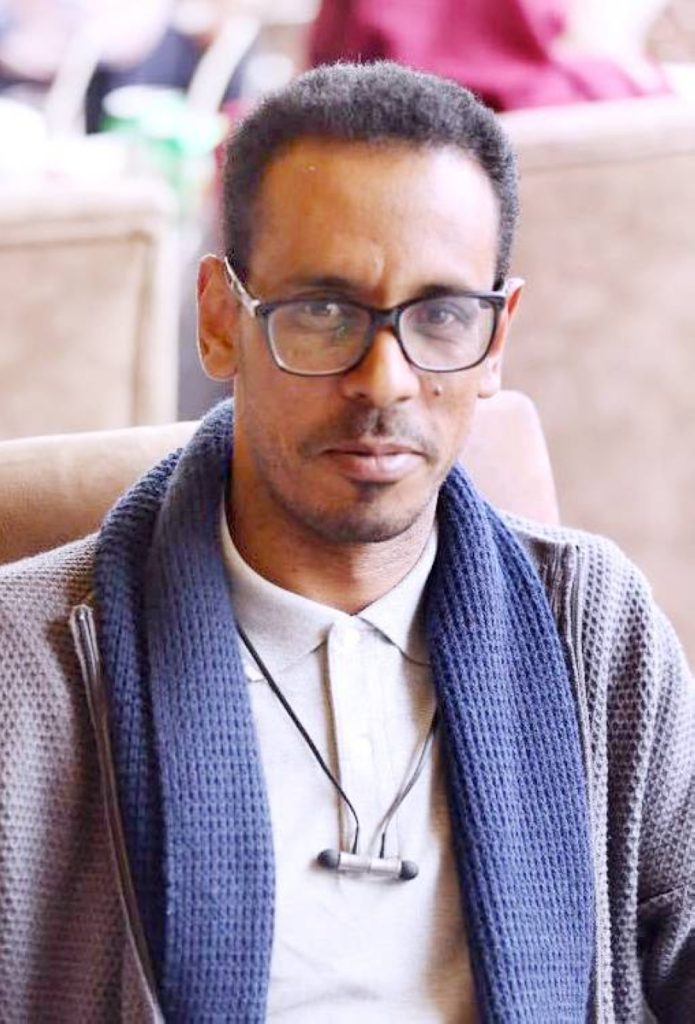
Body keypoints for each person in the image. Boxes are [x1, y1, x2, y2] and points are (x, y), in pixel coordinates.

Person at [0, 61, 693, 1022]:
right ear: (220, 321)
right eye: (324, 313)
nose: (385, 379)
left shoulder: (594, 625)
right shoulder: (28, 667)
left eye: (441, 316)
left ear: (496, 340)